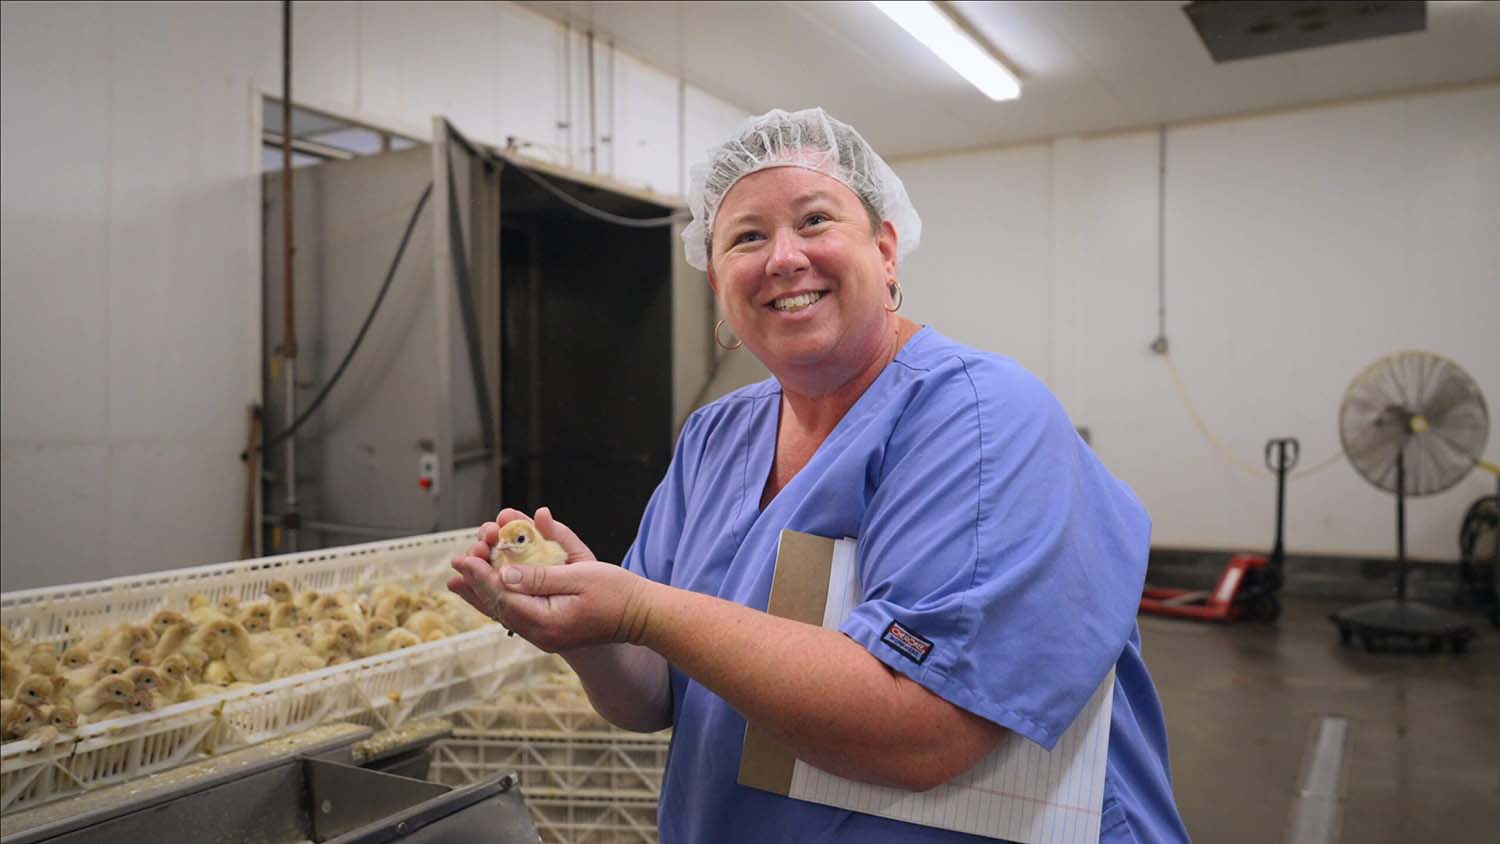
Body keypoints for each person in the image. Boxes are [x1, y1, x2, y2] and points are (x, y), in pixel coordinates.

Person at [450, 107, 1189, 843]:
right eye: (745, 236)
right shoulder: (717, 436)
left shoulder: (981, 417)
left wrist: (644, 609)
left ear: (888, 251)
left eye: (814, 221)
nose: (782, 258)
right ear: (718, 285)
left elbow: (925, 733)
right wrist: (588, 633)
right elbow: (652, 697)